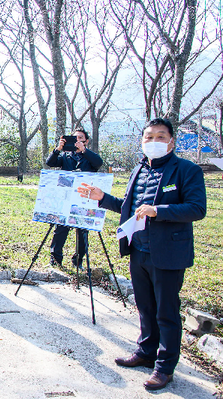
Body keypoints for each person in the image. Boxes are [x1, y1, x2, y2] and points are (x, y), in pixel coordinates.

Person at [77, 118, 207, 391]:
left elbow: (196, 208)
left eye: (161, 137)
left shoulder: (187, 170)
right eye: (149, 137)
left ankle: (164, 367)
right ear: (142, 142)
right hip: (139, 250)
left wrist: (159, 211)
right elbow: (128, 207)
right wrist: (101, 197)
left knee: (167, 312)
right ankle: (146, 353)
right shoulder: (139, 171)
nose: (154, 142)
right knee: (145, 308)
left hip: (168, 253)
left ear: (171, 141)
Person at [46, 127, 103, 269]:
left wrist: (83, 150)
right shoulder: (66, 156)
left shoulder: (89, 157)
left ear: (86, 141)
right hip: (66, 197)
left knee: (82, 232)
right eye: (75, 139)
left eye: (80, 139)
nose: (77, 142)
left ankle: (78, 260)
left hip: (84, 198)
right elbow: (50, 162)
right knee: (60, 229)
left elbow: (98, 163)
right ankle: (55, 257)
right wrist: (58, 149)